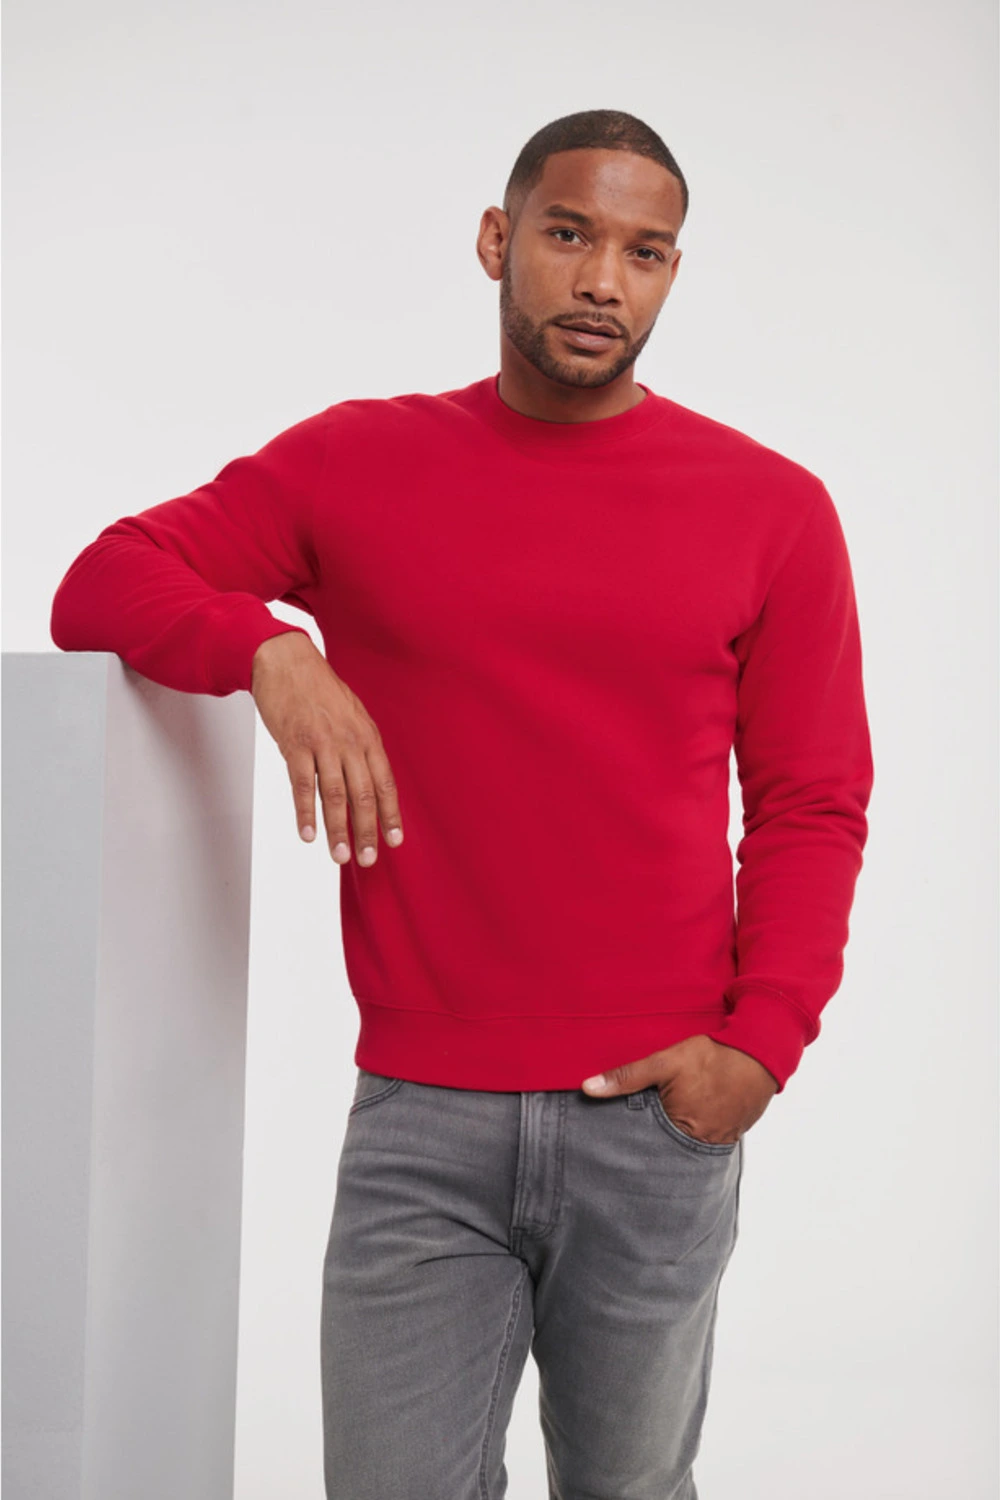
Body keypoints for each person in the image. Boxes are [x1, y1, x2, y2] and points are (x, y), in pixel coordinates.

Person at [50, 108, 874, 1499]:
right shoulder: (356, 463)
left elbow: (813, 800)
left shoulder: (773, 508)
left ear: (673, 273)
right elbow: (103, 580)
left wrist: (760, 1050)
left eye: (644, 252)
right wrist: (270, 652)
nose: (602, 280)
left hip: (661, 1113)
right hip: (422, 1120)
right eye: (570, 234)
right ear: (499, 240)